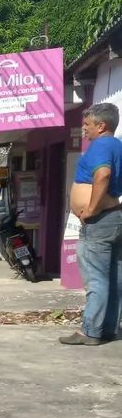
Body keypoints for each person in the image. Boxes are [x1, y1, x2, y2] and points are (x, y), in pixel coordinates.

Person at [60, 101, 122, 346]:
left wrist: (91, 210)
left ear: (101, 126)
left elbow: (103, 175)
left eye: (87, 124)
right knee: (114, 276)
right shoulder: (117, 146)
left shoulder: (101, 145)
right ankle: (109, 328)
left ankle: (91, 331)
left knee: (96, 278)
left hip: (99, 222)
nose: (84, 129)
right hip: (114, 219)